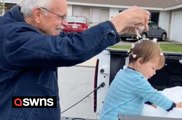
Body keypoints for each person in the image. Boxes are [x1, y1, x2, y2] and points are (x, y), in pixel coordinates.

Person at [0, 0, 150, 119]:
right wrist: (119, 20)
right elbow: (68, 49)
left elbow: (72, 39)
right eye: (61, 17)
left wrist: (120, 29)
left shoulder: (32, 30)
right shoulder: (12, 36)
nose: (65, 23)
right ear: (38, 14)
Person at [100, 40, 182, 120]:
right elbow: (153, 95)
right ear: (140, 62)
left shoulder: (124, 73)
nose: (154, 73)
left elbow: (131, 95)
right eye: (153, 68)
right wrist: (172, 106)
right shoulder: (136, 79)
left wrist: (148, 101)